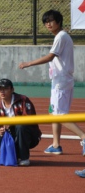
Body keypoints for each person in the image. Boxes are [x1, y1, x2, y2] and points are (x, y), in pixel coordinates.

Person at [19, 9, 85, 156]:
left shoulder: (61, 36)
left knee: (59, 115)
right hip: (60, 80)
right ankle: (56, 144)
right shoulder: (62, 36)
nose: (48, 24)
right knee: (53, 112)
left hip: (61, 81)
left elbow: (50, 57)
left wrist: (28, 63)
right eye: (46, 22)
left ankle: (83, 137)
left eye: (50, 21)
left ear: (58, 21)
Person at [0, 78, 41, 166]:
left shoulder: (23, 100)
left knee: (20, 126)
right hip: (12, 134)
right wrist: (1, 131)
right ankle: (14, 156)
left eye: (5, 88)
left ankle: (24, 158)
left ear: (12, 90)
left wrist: (12, 123)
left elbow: (29, 119)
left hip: (30, 135)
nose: (2, 91)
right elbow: (0, 126)